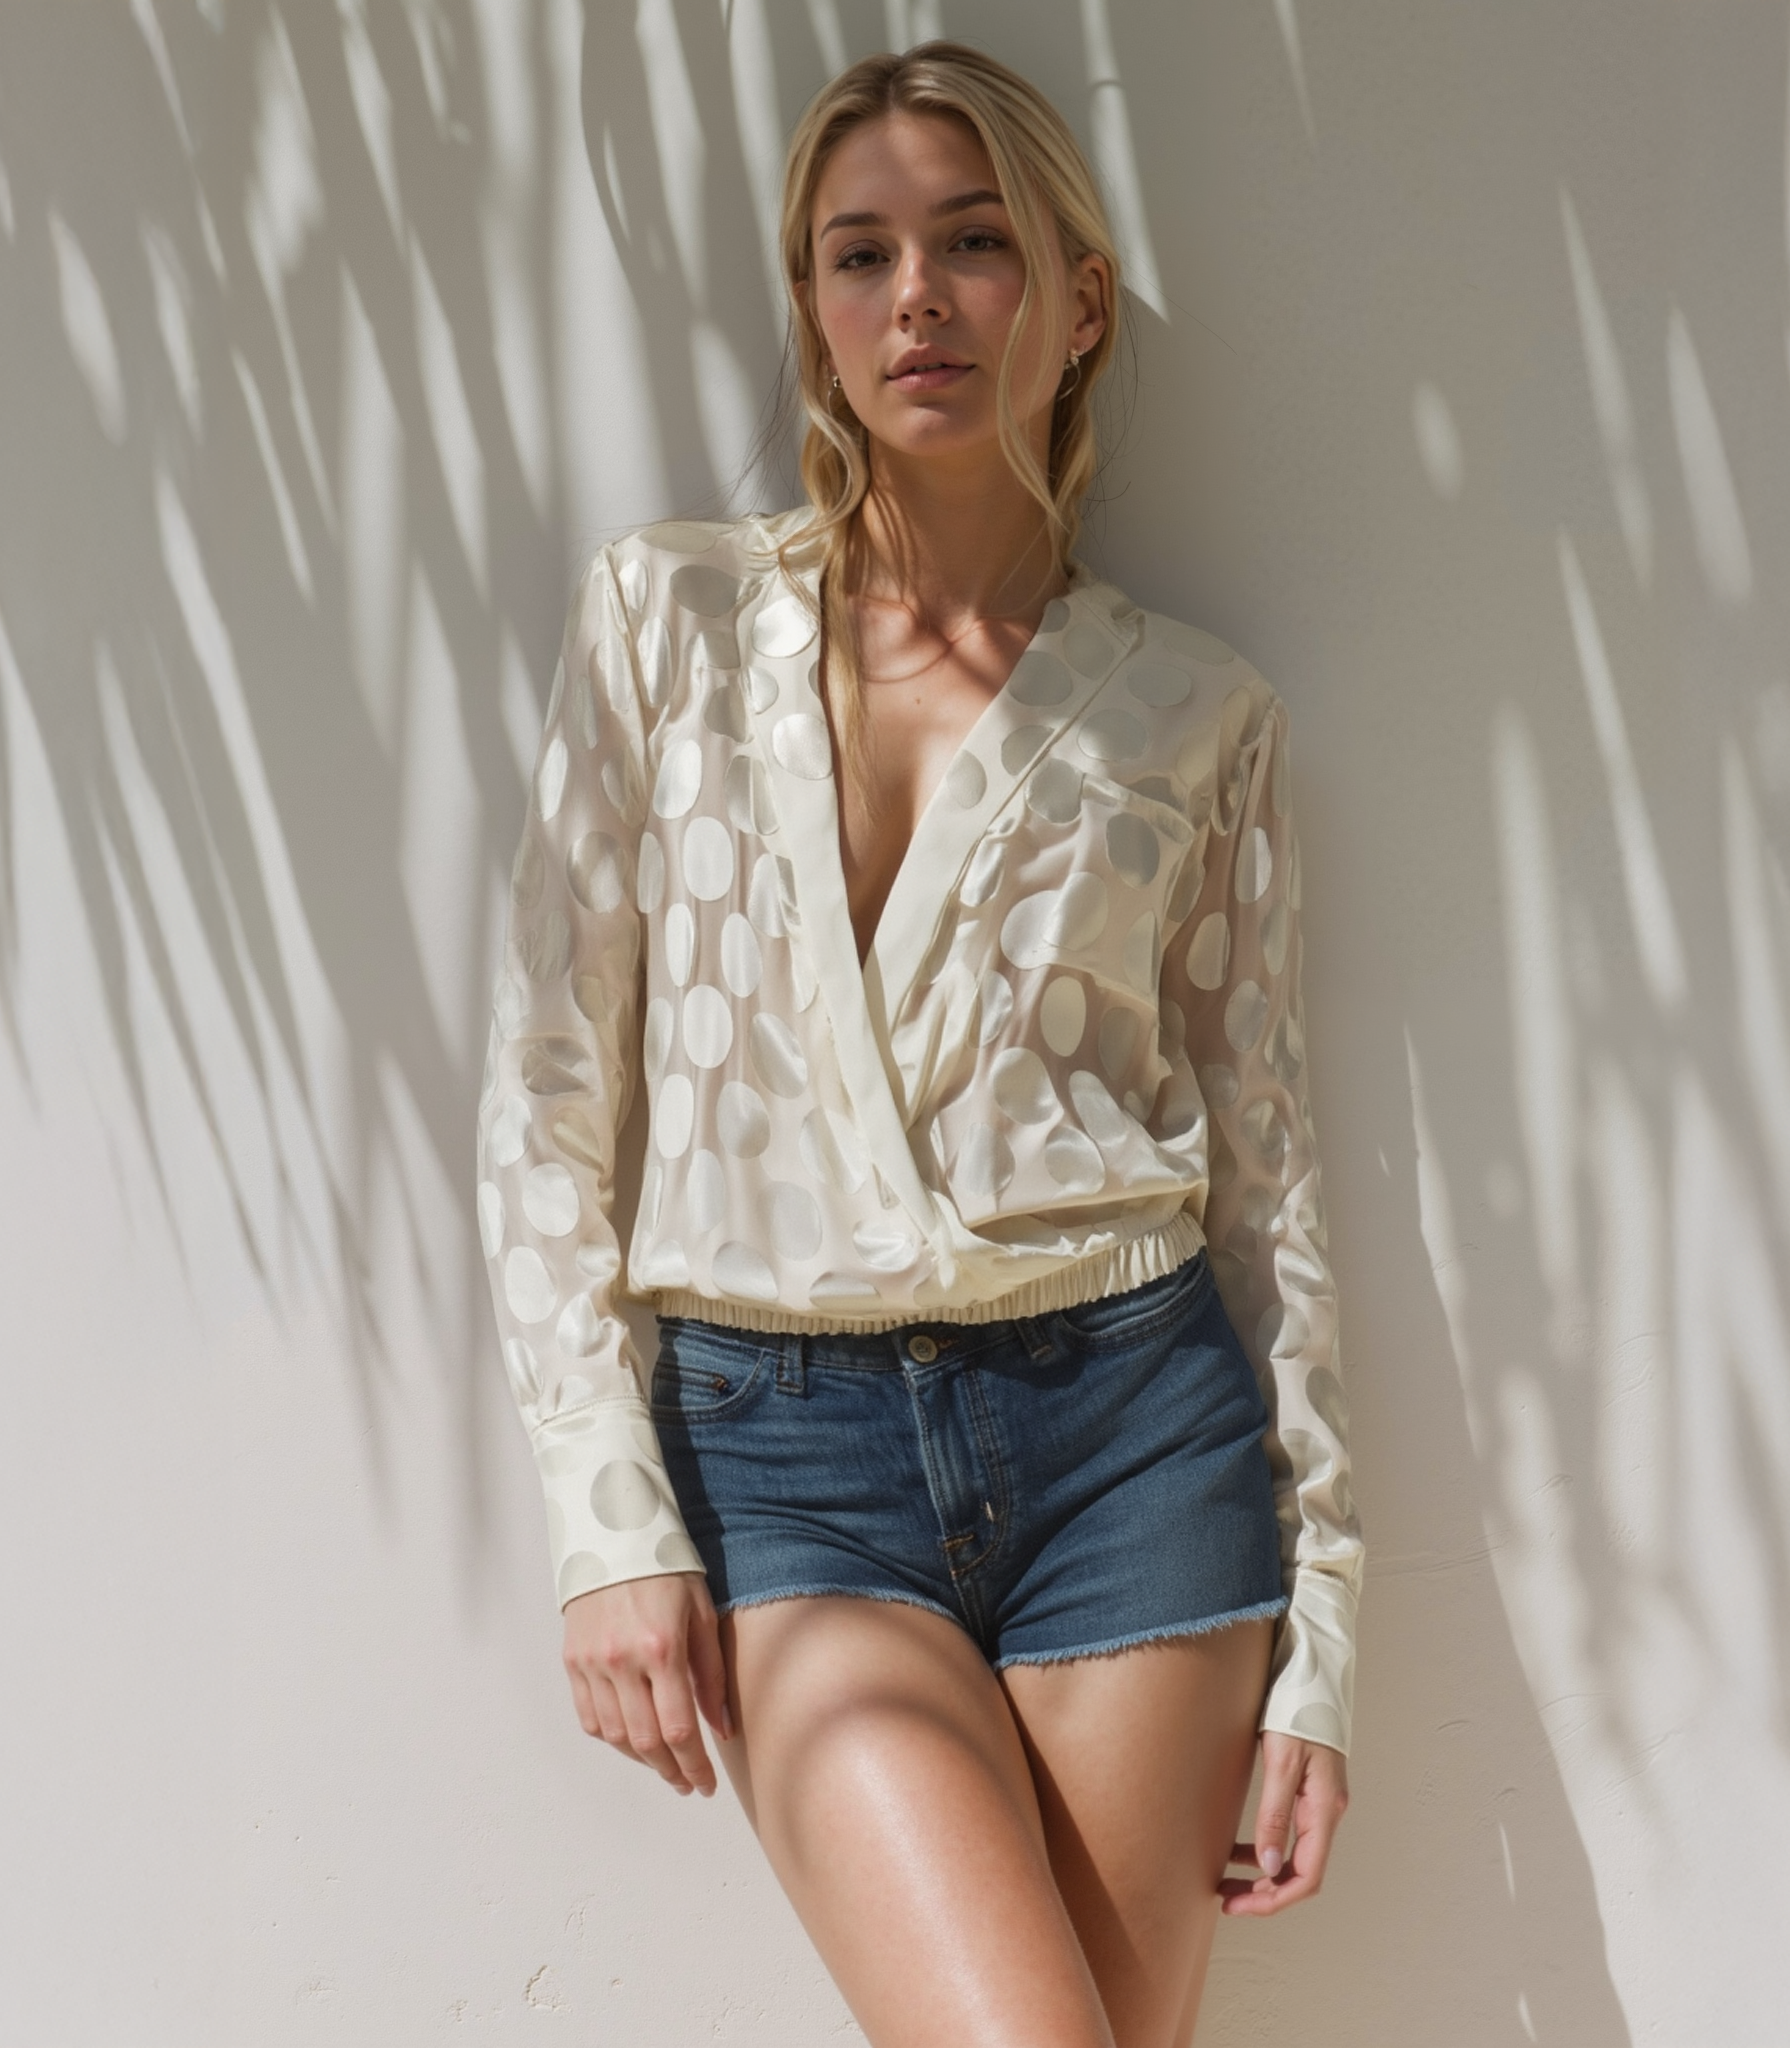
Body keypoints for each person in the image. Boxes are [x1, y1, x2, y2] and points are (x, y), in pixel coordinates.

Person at [477, 40, 1361, 2048]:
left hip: (1134, 1444)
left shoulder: (1192, 717)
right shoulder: (665, 629)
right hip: (788, 1471)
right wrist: (611, 1522)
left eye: (974, 242)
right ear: (808, 306)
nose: (916, 299)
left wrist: (1324, 1632)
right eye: (855, 252)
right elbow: (547, 1101)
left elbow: (1269, 1173)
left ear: (1075, 301)